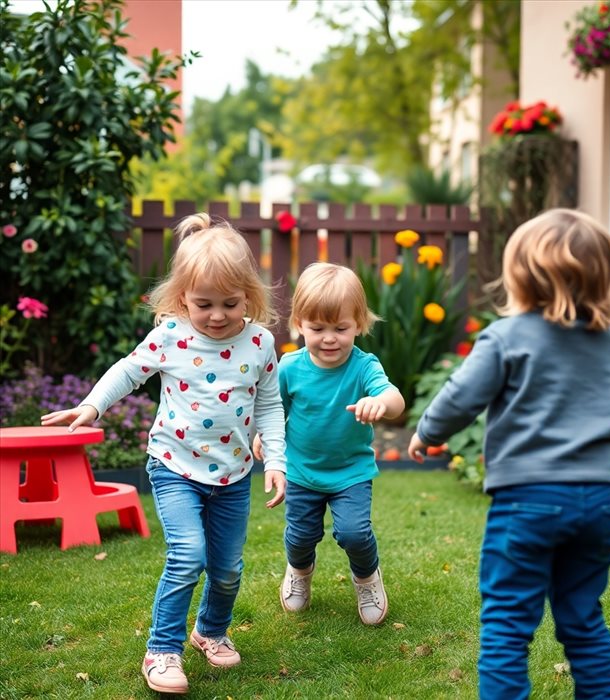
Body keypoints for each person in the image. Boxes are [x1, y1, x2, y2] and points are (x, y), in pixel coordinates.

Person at [407, 208, 610, 699]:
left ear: (521, 278)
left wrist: (427, 431)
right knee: (584, 622)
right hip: (600, 507)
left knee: (507, 625)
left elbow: (462, 395)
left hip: (528, 504)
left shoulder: (507, 337)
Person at [41, 213, 287, 695]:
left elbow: (270, 404)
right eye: (203, 304)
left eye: (230, 303)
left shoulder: (259, 342)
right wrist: (93, 404)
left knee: (228, 567)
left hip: (234, 476)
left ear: (250, 297)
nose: (217, 315)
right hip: (174, 466)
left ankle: (210, 632)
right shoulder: (171, 335)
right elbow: (128, 371)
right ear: (181, 298)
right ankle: (162, 649)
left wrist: (275, 460)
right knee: (187, 554)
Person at [254, 262, 404, 625]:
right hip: (302, 470)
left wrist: (379, 403)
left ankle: (367, 578)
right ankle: (300, 572)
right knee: (300, 536)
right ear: (299, 324)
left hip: (350, 471)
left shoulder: (364, 367)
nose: (330, 338)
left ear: (359, 324)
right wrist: (263, 435)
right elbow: (275, 409)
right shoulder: (290, 367)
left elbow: (395, 399)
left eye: (341, 328)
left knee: (354, 533)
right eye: (317, 328)